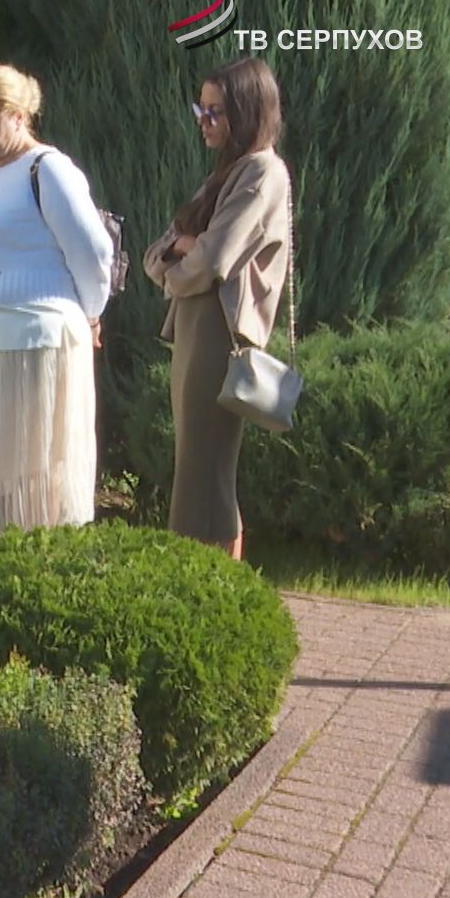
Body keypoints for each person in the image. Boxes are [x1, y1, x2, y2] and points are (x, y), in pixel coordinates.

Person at [0, 63, 113, 557]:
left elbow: (95, 253)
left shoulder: (47, 167)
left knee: (34, 479)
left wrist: (91, 313)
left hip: (33, 341)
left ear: (18, 116)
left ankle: (33, 586)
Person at [143, 56, 291, 560]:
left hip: (219, 329)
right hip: (194, 319)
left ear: (247, 111)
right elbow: (157, 252)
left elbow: (214, 256)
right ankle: (205, 580)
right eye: (199, 110)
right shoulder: (225, 173)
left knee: (205, 468)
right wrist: (182, 251)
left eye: (215, 112)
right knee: (194, 460)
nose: (203, 122)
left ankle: (205, 583)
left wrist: (184, 251)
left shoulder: (263, 172)